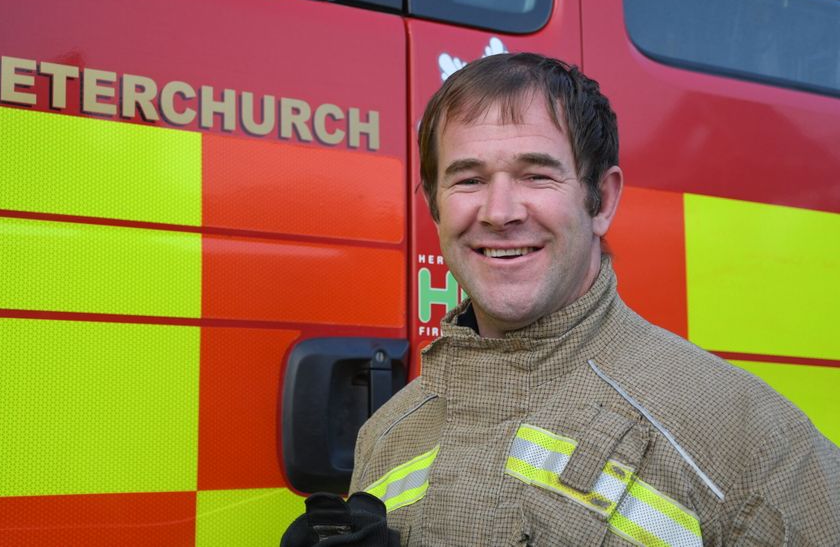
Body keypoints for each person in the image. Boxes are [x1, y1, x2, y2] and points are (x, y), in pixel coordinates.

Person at [347, 53, 840, 545]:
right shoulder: (385, 437)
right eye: (469, 179)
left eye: (536, 175)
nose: (499, 212)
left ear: (601, 201)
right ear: (435, 206)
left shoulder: (746, 439)